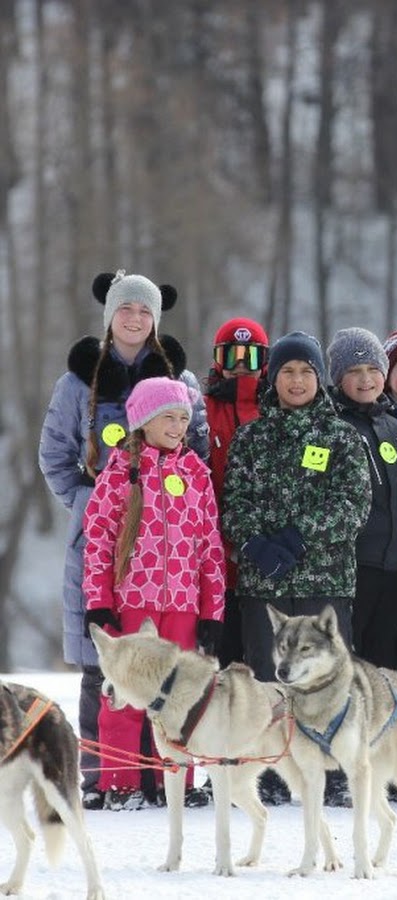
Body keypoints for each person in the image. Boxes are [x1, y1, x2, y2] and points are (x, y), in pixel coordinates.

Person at [38, 270, 208, 811]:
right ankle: (105, 779)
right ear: (109, 316)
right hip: (102, 539)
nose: (135, 320)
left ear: (157, 320)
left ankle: (167, 778)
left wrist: (171, 503)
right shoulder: (76, 384)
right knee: (104, 658)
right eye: (125, 310)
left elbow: (199, 447)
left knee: (170, 662)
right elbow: (54, 457)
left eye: (145, 312)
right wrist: (91, 507)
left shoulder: (181, 380)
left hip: (170, 546)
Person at [82, 377, 224, 811]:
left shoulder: (195, 472)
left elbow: (210, 545)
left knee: (179, 696)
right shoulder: (121, 468)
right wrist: (99, 601)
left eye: (184, 418)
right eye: (169, 417)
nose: (178, 426)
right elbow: (98, 539)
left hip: (182, 604)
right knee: (126, 695)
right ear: (143, 420)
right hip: (134, 602)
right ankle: (122, 782)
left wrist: (212, 611)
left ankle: (174, 781)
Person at [221, 330, 371, 680]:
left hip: (325, 584)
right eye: (287, 371)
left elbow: (353, 505)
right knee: (269, 688)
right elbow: (233, 503)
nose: (297, 381)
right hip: (264, 588)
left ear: (319, 377)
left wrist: (297, 537)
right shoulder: (250, 438)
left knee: (325, 691)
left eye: (306, 371)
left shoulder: (342, 436)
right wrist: (257, 546)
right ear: (273, 378)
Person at [326, 327, 397, 671]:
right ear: (338, 378)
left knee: (385, 658)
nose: (366, 380)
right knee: (349, 657)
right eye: (353, 371)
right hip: (355, 566)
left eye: (373, 370)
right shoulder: (332, 427)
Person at [203, 317, 269, 667]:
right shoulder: (204, 409)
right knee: (224, 662)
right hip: (217, 559)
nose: (241, 367)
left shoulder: (273, 409)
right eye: (232, 357)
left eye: (251, 358)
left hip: (266, 558)